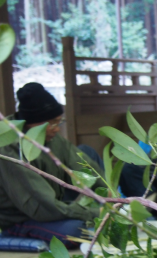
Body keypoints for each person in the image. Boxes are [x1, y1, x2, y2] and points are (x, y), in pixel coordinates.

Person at [0, 82, 105, 248]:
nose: (56, 129)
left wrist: (112, 200)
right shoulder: (9, 148)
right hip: (25, 215)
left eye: (58, 122)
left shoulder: (52, 138)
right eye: (51, 124)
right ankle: (14, 232)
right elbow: (40, 202)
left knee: (86, 153)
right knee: (76, 232)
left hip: (53, 200)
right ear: (31, 123)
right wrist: (93, 213)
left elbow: (81, 163)